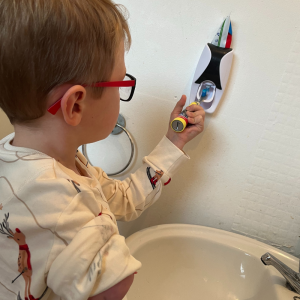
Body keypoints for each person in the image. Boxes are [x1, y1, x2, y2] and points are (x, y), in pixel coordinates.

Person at [0, 1, 205, 300]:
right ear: (76, 105)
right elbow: (115, 286)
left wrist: (173, 144)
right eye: (121, 82)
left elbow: (122, 199)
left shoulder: (29, 161)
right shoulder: (64, 203)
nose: (122, 92)